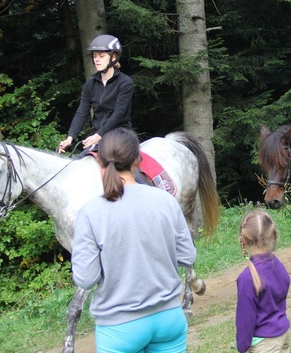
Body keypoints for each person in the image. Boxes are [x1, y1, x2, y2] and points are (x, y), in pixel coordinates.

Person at [71, 128, 196, 352]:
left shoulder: (90, 213)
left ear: (99, 162)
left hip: (119, 328)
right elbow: (188, 255)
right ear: (139, 160)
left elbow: (86, 278)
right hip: (169, 318)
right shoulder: (166, 201)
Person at [58, 34, 134, 154]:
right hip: (98, 136)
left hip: (120, 135)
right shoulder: (90, 85)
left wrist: (99, 135)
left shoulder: (125, 83)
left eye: (101, 56)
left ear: (113, 57)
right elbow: (82, 112)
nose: (96, 59)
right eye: (94, 56)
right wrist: (70, 138)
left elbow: (119, 113)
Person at [235, 209, 291, 353]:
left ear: (244, 240)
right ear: (272, 234)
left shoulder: (247, 278)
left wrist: (242, 347)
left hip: (263, 345)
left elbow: (245, 319)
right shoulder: (277, 264)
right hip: (283, 334)